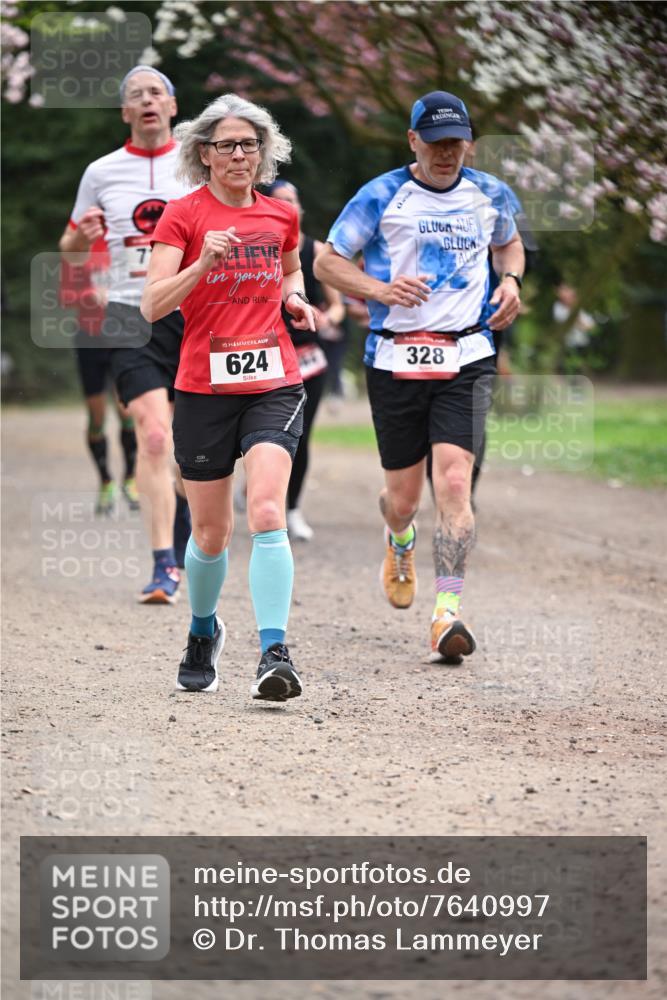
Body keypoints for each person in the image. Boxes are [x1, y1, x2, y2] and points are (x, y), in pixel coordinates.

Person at [315, 91, 524, 663]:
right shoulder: (381, 195)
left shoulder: (490, 193)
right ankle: (399, 539)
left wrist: (511, 283)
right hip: (395, 358)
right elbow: (327, 261)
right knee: (403, 500)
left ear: (469, 144)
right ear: (413, 141)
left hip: (467, 356)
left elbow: (509, 245)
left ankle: (446, 613)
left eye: (456, 144)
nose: (446, 154)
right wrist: (379, 290)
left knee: (455, 483)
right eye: (435, 144)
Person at [142, 94, 316, 700]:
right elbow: (153, 303)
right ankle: (201, 630)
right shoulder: (182, 217)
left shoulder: (280, 216)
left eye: (249, 144)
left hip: (273, 382)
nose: (239, 154)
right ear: (204, 154)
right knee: (210, 534)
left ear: (263, 153)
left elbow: (291, 271)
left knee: (267, 510)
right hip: (203, 389)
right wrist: (201, 263)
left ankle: (275, 653)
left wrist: (294, 298)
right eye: (226, 145)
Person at [58, 65, 192, 605]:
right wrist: (79, 236)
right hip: (128, 312)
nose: (146, 101)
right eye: (135, 95)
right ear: (125, 113)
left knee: (192, 447)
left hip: (192, 309)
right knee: (154, 434)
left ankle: (189, 551)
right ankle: (163, 564)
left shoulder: (200, 161)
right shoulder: (101, 171)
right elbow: (68, 247)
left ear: (173, 106)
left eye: (156, 92)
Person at [266, 179, 346, 541]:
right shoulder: (257, 249)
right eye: (281, 200)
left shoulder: (314, 251)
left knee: (300, 436)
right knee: (264, 435)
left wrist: (331, 317)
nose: (289, 206)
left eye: (293, 200)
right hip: (265, 356)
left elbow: (339, 304)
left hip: (308, 360)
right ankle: (261, 496)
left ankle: (292, 508)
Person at [59, 236, 139, 514]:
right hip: (89, 339)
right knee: (97, 417)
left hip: (121, 337)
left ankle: (130, 478)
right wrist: (88, 295)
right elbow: (65, 296)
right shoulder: (79, 249)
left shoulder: (127, 242)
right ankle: (105, 480)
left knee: (126, 410)